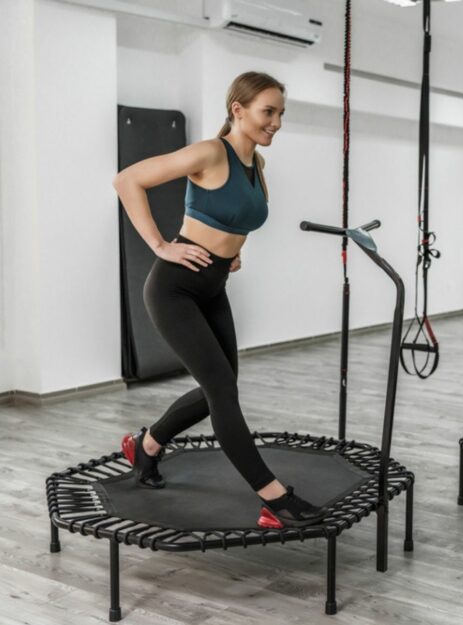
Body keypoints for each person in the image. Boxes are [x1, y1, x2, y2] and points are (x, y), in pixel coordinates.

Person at [113, 71, 325, 528]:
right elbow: (127, 180)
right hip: (175, 287)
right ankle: (274, 498)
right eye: (268, 112)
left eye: (281, 114)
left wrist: (234, 251)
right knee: (223, 392)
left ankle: (146, 446)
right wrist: (160, 245)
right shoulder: (210, 152)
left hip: (213, 286)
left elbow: (240, 216)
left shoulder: (257, 166)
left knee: (220, 388)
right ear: (238, 110)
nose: (277, 123)